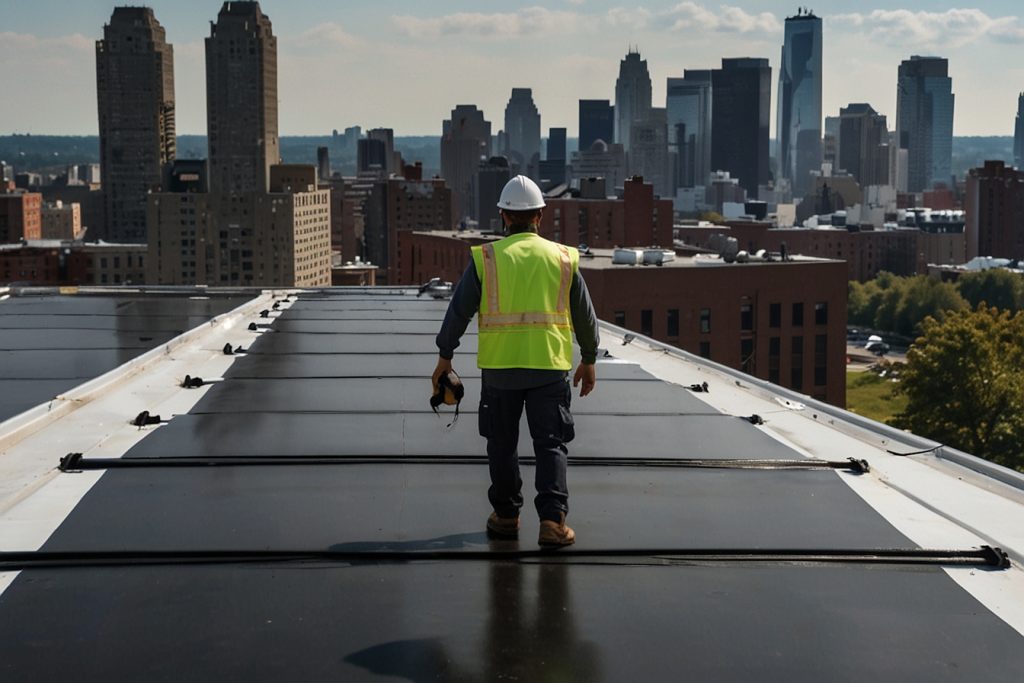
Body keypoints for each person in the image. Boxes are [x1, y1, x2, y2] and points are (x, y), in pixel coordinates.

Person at [433, 175, 599, 547]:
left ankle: (507, 516)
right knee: (550, 444)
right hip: (549, 368)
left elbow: (458, 311)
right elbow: (585, 315)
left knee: (502, 444)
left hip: (501, 371)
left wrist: (445, 356)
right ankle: (553, 523)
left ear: (504, 216)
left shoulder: (487, 258)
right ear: (540, 215)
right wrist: (588, 359)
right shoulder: (563, 258)